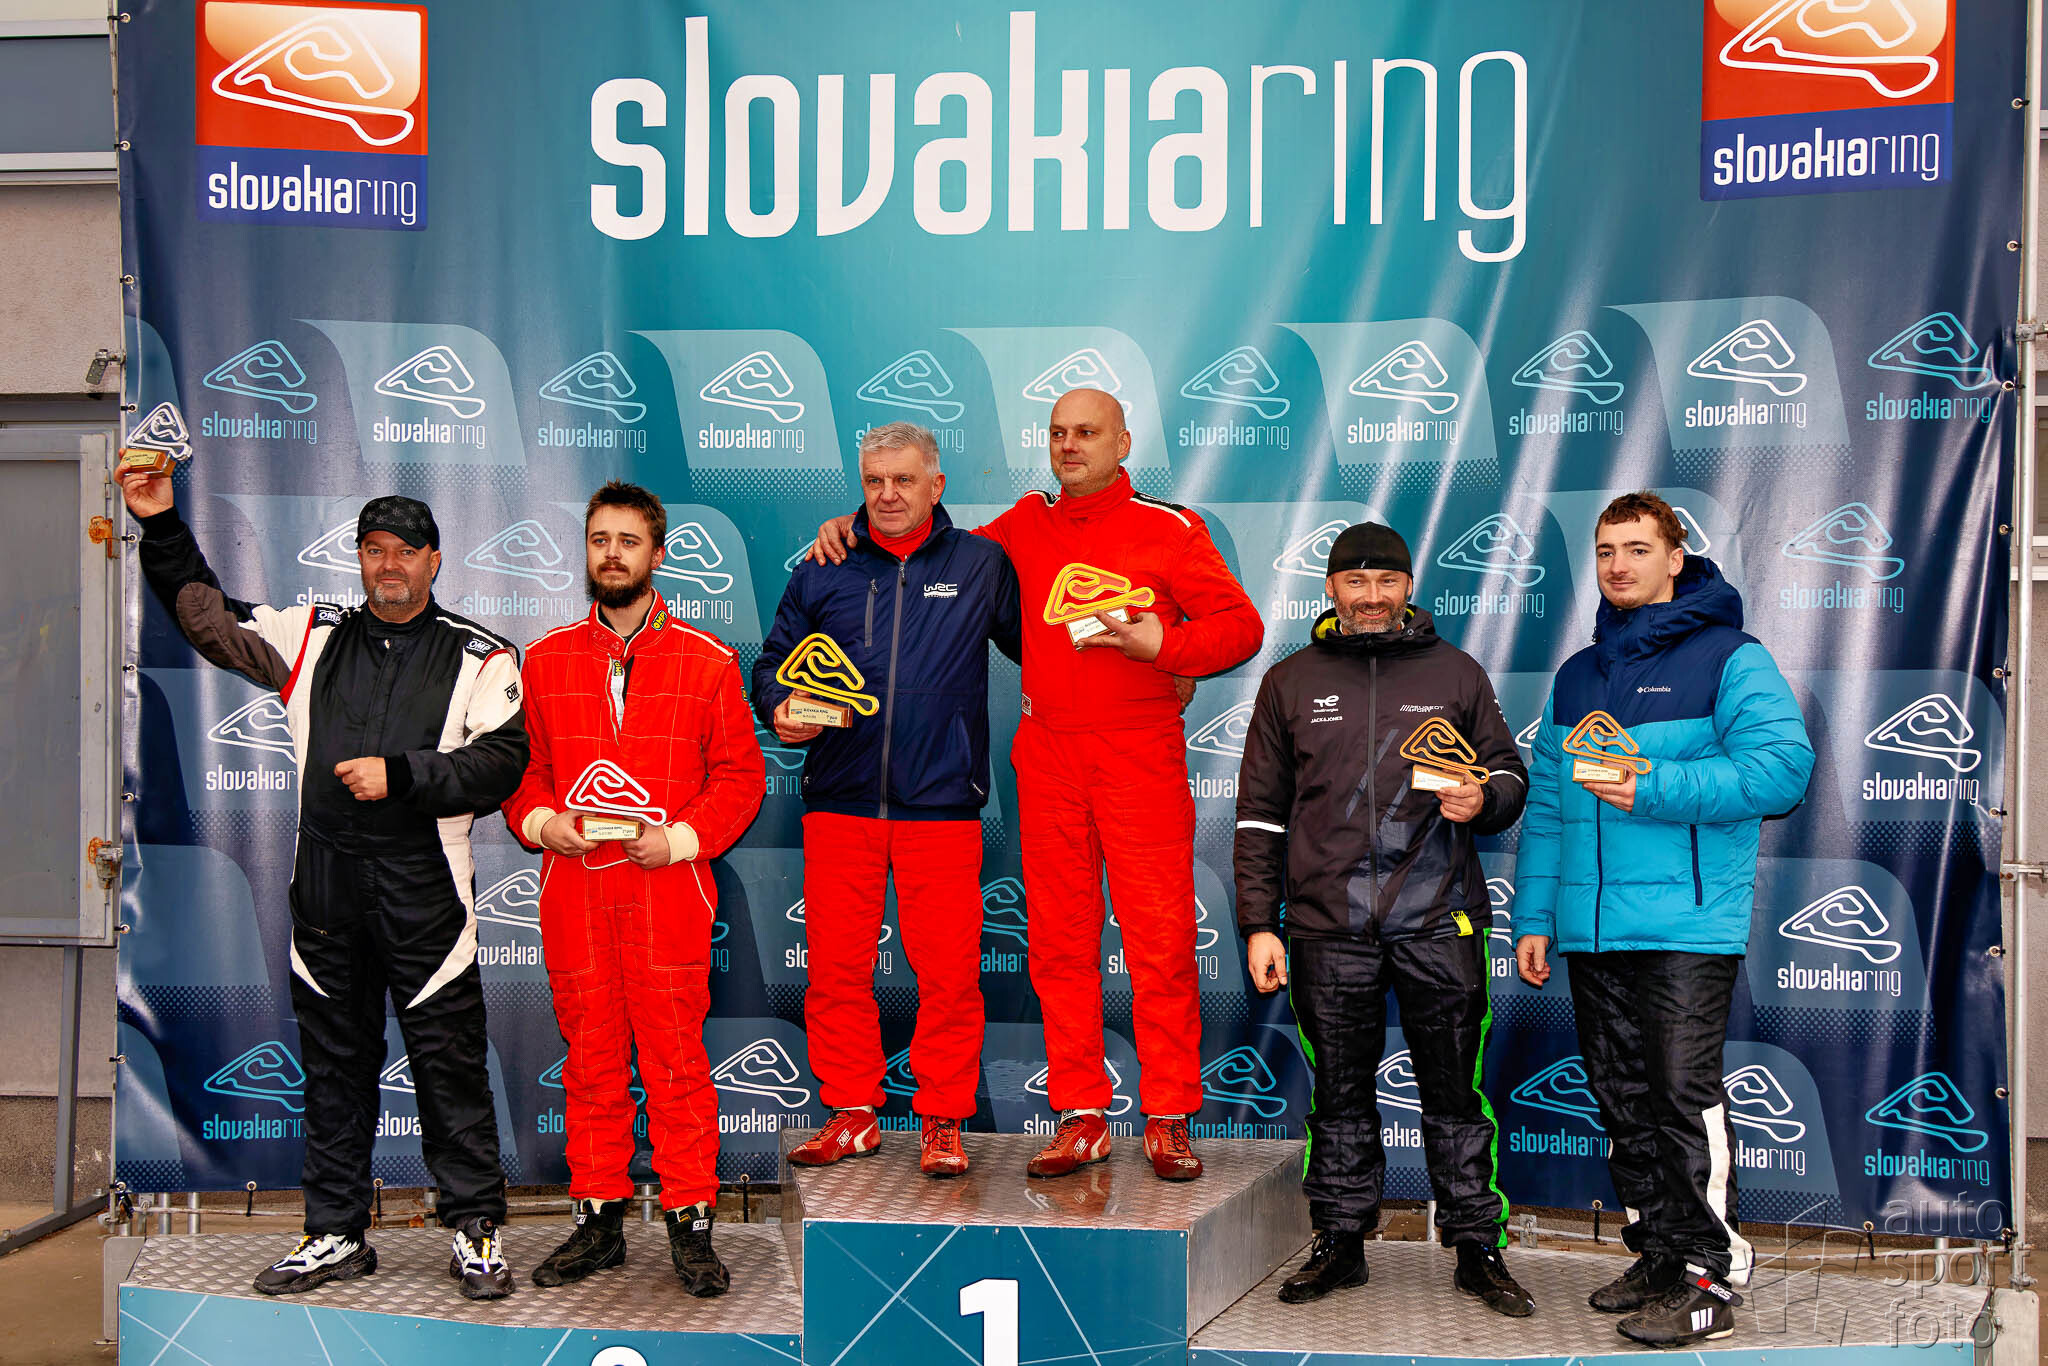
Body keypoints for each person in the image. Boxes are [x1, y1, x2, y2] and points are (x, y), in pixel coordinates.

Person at [815, 388, 1263, 1180]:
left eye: (1086, 432)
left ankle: (1168, 1115)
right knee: (1059, 946)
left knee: (1160, 943)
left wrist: (1167, 647)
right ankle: (1081, 1113)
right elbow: (926, 549)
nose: (1069, 446)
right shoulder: (1022, 526)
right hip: (1050, 754)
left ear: (1122, 443)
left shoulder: (1169, 528)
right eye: (1058, 433)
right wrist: (850, 529)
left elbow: (1241, 628)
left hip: (1138, 754)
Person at [120, 472, 526, 1300]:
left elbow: (501, 762)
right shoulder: (309, 635)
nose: (389, 565)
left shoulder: (482, 655)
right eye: (374, 550)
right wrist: (160, 523)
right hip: (328, 896)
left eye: (405, 551)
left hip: (427, 899)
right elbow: (209, 619)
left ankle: (476, 1230)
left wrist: (403, 775)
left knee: (449, 1069)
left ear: (434, 560)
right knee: (335, 1073)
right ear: (359, 558)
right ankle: (334, 1232)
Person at [1513, 491, 1814, 1348]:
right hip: (1592, 929)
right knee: (1623, 1098)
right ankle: (1660, 1250)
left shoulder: (1729, 657)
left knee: (1682, 1098)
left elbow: (1782, 771)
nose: (1619, 565)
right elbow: (1548, 812)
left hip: (1685, 925)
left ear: (1676, 559)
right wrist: (1535, 917)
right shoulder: (1578, 675)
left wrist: (1653, 786)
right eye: (1606, 550)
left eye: (1638, 549)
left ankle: (1710, 1275)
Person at [1234, 522, 1534, 1316]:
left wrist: (1484, 798)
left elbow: (1508, 774)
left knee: (1455, 1095)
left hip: (1439, 923)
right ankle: (1341, 1242)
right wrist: (1260, 922)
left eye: (1386, 581)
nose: (1372, 597)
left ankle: (1476, 1246)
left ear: (1409, 587)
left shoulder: (1456, 672)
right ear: (1331, 588)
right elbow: (1260, 815)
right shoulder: (1290, 681)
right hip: (1328, 928)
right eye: (1355, 581)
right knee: (1338, 1095)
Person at [506, 481, 764, 1296]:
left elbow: (740, 778)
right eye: (599, 540)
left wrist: (679, 839)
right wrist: (544, 823)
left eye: (627, 540)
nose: (612, 554)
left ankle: (691, 1221)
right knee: (590, 1061)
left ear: (657, 553)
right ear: (586, 551)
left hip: (668, 893)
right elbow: (520, 774)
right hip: (577, 892)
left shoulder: (708, 660)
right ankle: (599, 1220)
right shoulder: (545, 660)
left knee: (676, 1059)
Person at [754, 422, 1020, 1178]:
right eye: (874, 481)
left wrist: (1151, 669)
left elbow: (1044, 649)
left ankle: (943, 1119)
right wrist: (778, 705)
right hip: (840, 804)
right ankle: (851, 1111)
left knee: (949, 978)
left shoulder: (981, 564)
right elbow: (771, 665)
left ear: (937, 485)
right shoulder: (824, 565)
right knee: (836, 972)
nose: (888, 495)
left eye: (904, 480)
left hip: (942, 806)